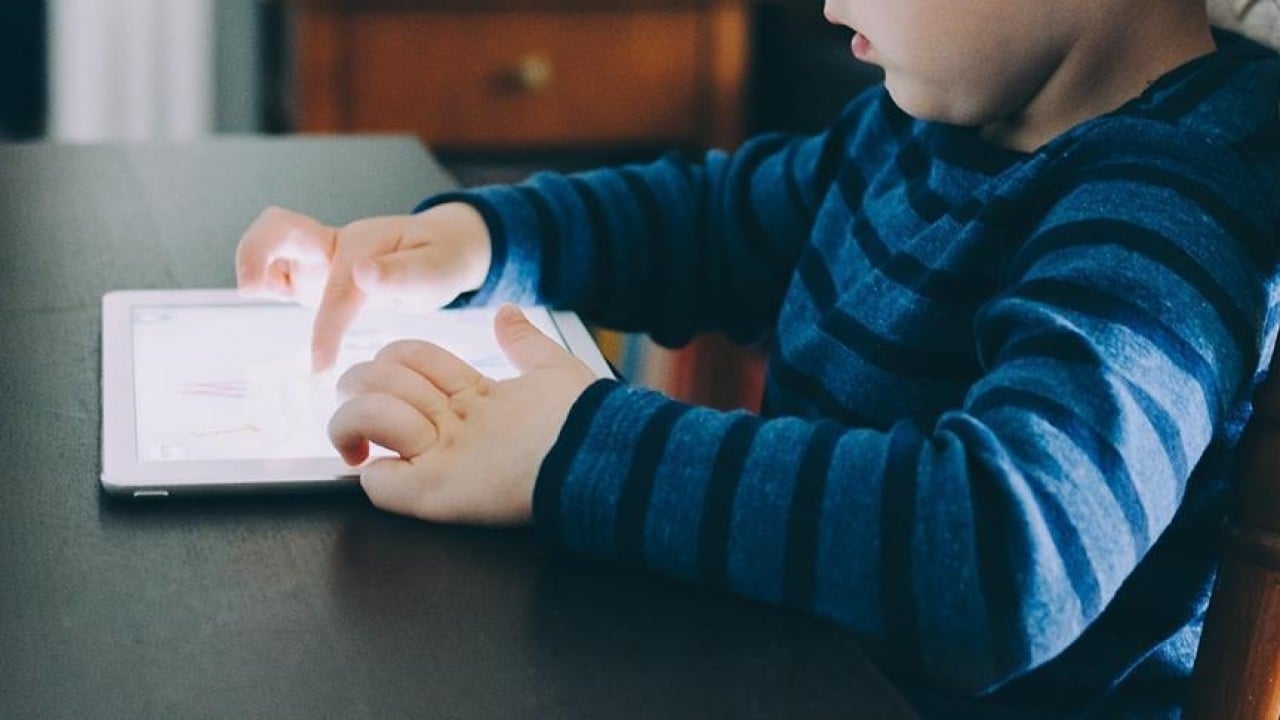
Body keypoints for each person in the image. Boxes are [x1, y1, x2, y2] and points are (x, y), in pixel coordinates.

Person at [235, 0, 1280, 715]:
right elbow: (717, 223)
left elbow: (1009, 555)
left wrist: (573, 446)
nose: (828, 4)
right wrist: (478, 241)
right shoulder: (930, 121)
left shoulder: (1172, 202)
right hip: (790, 663)